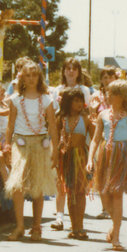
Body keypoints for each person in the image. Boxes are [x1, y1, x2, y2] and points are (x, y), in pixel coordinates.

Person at [3, 61, 58, 241]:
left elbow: (53, 126)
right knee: (18, 184)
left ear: (39, 77)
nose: (32, 78)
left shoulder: (46, 99)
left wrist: (54, 150)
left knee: (37, 186)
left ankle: (36, 227)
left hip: (40, 143)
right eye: (28, 75)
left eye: (35, 75)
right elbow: (10, 125)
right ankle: (19, 226)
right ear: (23, 78)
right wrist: (6, 145)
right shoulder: (16, 100)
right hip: (21, 143)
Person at [87, 79, 127, 251]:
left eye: (111, 93)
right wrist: (90, 159)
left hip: (122, 153)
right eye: (107, 93)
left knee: (117, 194)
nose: (108, 96)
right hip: (105, 154)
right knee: (104, 193)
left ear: (120, 96)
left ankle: (116, 234)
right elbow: (95, 139)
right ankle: (114, 224)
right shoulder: (103, 115)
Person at [49, 58, 92, 232]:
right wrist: (54, 153)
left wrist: (91, 157)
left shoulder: (84, 94)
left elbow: (95, 135)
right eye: (68, 68)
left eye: (74, 68)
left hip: (80, 153)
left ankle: (78, 226)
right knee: (65, 187)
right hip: (65, 154)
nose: (71, 71)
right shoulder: (61, 112)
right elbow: (54, 130)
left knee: (79, 190)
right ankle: (64, 219)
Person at [55, 87, 93, 240]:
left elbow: (96, 136)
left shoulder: (85, 118)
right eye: (75, 100)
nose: (79, 104)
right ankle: (74, 226)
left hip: (81, 157)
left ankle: (81, 225)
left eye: (81, 100)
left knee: (80, 192)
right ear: (68, 102)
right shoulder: (61, 119)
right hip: (66, 158)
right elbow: (56, 137)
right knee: (70, 192)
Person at [89, 66, 118, 220]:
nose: (107, 80)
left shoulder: (120, 95)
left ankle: (114, 206)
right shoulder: (96, 96)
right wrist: (93, 110)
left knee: (113, 174)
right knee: (102, 174)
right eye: (104, 77)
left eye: (110, 77)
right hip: (101, 138)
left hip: (117, 139)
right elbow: (91, 118)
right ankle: (105, 207)